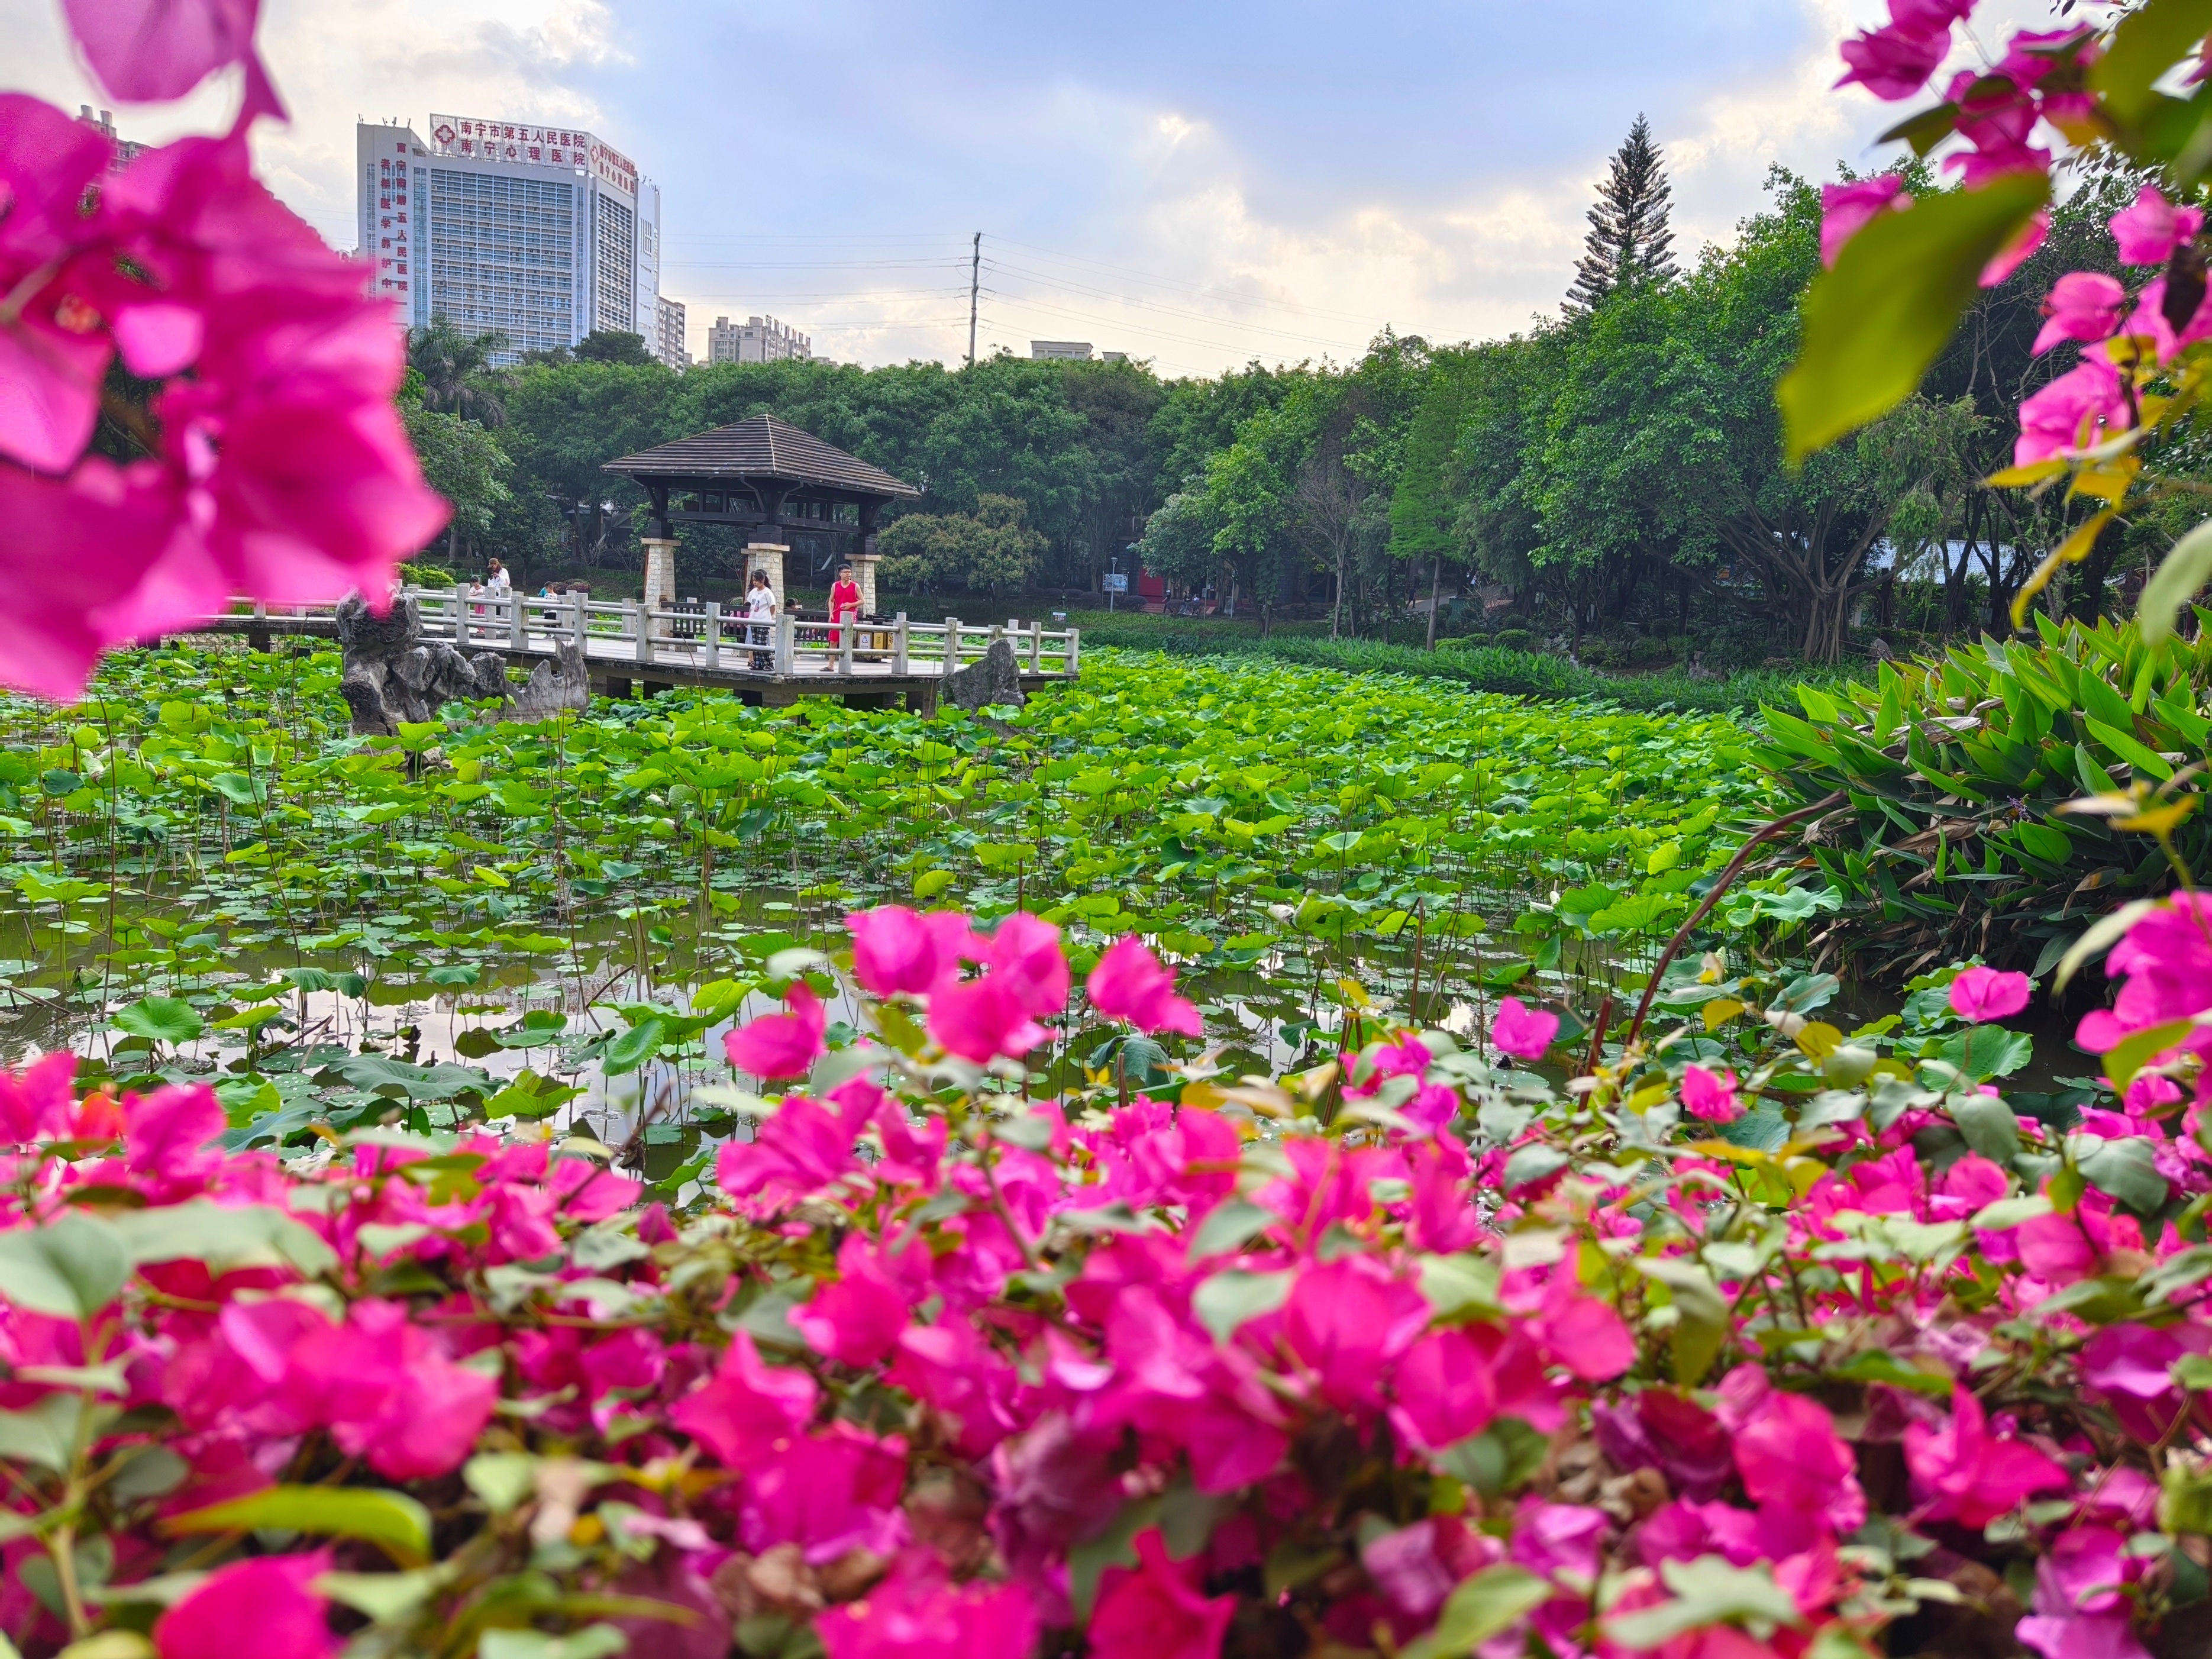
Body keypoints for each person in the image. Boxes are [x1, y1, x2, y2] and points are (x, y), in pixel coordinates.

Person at [825, 561, 863, 670]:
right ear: (840, 574)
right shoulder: (835, 585)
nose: (848, 574)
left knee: (847, 641)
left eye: (850, 572)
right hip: (837, 614)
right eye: (846, 572)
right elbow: (831, 600)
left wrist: (851, 604)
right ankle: (831, 665)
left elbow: (862, 600)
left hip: (850, 615)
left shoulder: (855, 586)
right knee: (833, 640)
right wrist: (831, 614)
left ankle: (847, 665)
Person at [745, 568, 776, 672]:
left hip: (763, 622)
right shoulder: (754, 592)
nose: (754, 583)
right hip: (753, 621)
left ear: (762, 580)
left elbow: (773, 607)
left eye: (756, 581)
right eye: (753, 580)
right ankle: (758, 664)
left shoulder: (767, 592)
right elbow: (751, 605)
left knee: (762, 643)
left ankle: (769, 663)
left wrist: (767, 617)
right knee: (755, 644)